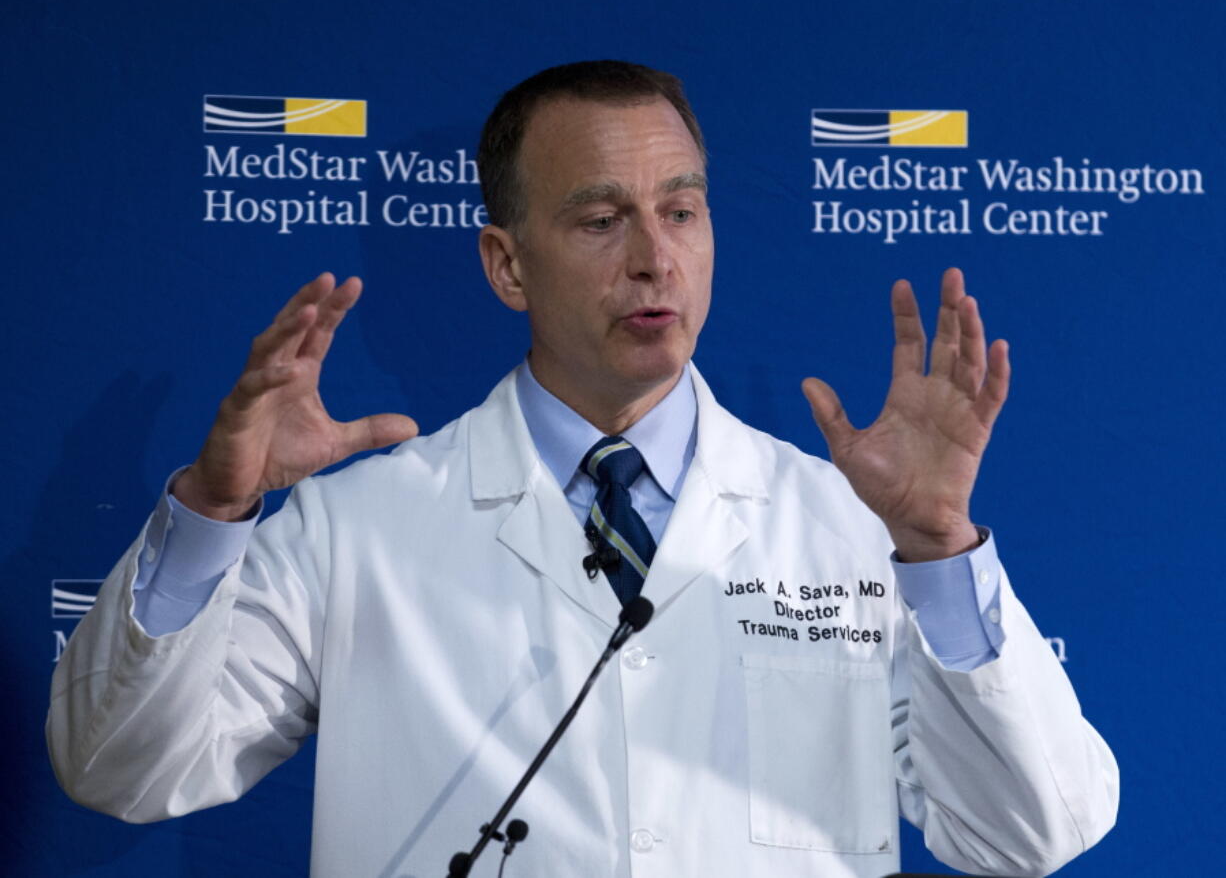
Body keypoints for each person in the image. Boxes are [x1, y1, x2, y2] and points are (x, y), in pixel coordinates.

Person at [48, 61, 1117, 877]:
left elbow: (1027, 833)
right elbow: (119, 771)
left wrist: (935, 552)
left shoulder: (846, 522)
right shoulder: (356, 527)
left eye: (681, 212)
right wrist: (217, 511)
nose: (654, 257)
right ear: (506, 263)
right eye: (602, 219)